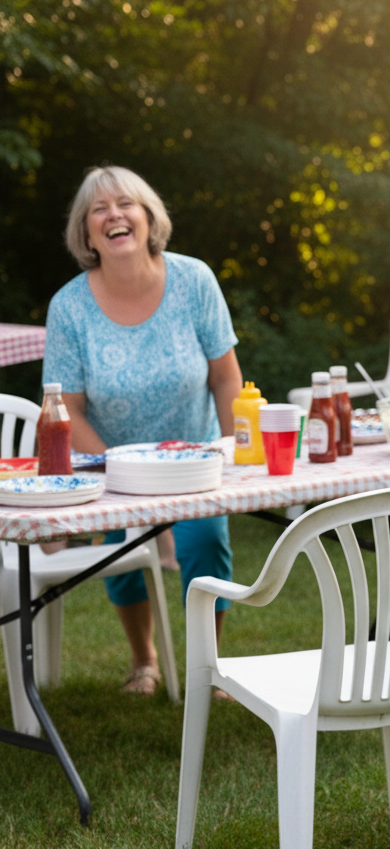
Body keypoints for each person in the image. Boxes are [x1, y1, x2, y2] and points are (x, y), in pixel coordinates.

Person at [42, 166, 243, 696]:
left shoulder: (194, 280)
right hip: (111, 465)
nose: (114, 215)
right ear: (86, 235)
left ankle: (209, 666)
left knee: (205, 543)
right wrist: (118, 470)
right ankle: (143, 661)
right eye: (99, 209)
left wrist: (231, 451)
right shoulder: (69, 307)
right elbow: (70, 410)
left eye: (126, 203)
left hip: (197, 464)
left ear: (148, 217)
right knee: (119, 552)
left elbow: (225, 377)